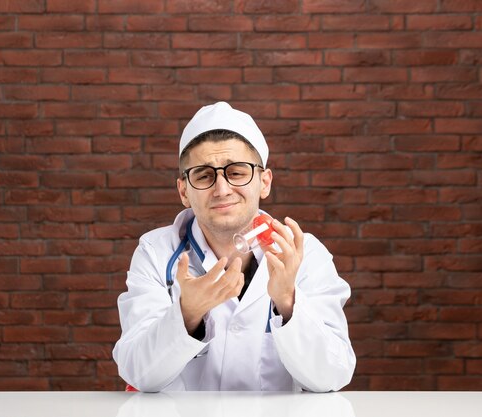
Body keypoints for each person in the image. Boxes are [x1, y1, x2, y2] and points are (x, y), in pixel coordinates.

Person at [113, 102, 356, 392]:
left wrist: (288, 302)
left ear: (264, 182)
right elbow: (138, 373)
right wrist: (187, 314)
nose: (222, 189)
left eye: (237, 172)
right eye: (204, 175)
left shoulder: (305, 254)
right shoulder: (156, 253)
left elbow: (332, 376)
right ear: (183, 191)